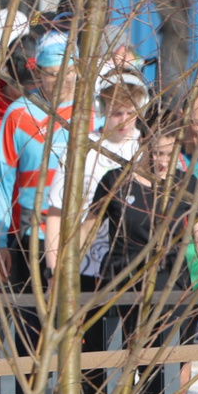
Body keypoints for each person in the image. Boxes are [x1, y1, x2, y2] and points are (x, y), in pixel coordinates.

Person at [82, 125, 198, 394]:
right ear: (142, 148)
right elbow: (88, 230)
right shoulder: (117, 181)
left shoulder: (187, 186)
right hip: (120, 293)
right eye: (154, 152)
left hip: (170, 295)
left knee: (161, 380)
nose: (160, 161)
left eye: (168, 154)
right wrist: (60, 269)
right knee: (106, 377)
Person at [0, 32, 76, 322]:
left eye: (69, 71)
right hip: (32, 237)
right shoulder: (18, 113)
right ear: (37, 72)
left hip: (82, 236)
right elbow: (0, 182)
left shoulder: (92, 113)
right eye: (52, 74)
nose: (63, 80)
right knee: (32, 328)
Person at [74, 73, 148, 289]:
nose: (124, 120)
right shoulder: (85, 147)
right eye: (117, 113)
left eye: (130, 112)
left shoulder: (146, 148)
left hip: (132, 264)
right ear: (101, 109)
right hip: (87, 262)